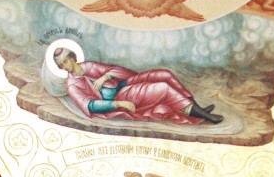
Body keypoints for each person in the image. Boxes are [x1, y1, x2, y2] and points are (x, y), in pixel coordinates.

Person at [52, 47, 224, 124]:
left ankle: (197, 108)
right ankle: (204, 116)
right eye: (62, 65)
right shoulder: (72, 85)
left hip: (121, 84)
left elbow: (116, 70)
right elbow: (91, 105)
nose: (65, 66)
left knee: (164, 74)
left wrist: (105, 76)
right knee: (162, 88)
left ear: (72, 57)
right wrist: (119, 104)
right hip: (119, 97)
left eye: (66, 61)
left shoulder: (89, 65)